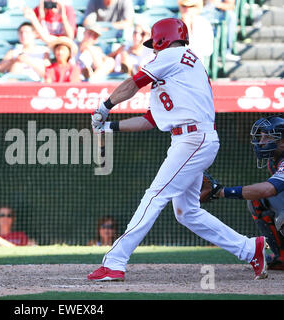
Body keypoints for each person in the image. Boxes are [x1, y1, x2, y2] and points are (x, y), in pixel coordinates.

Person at [87, 18, 268, 282]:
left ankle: (115, 261)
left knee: (154, 196)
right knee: (187, 212)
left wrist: (104, 106)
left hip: (193, 139)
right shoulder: (178, 68)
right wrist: (109, 127)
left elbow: (131, 84)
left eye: (155, 45)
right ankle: (250, 248)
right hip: (189, 139)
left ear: (163, 39)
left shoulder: (174, 54)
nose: (154, 50)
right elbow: (150, 120)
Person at [216, 116, 284, 270]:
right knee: (257, 200)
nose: (261, 142)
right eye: (261, 136)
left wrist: (221, 192)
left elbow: (268, 189)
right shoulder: (274, 160)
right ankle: (282, 257)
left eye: (268, 137)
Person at [178, 0, 214, 67]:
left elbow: (207, 50)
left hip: (196, 63)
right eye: (184, 6)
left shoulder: (204, 24)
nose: (187, 9)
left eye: (191, 6)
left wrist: (187, 27)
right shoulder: (174, 23)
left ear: (196, 8)